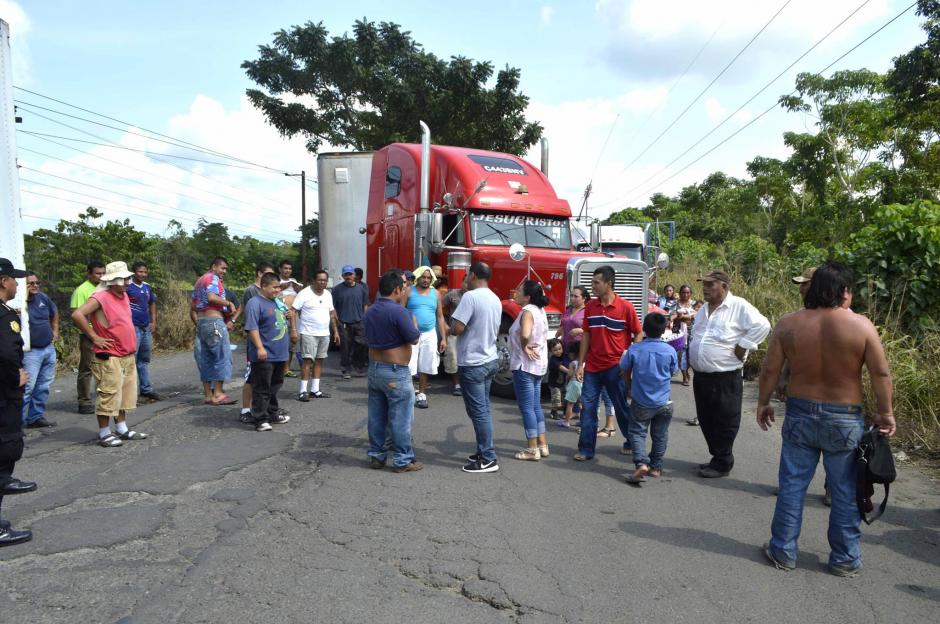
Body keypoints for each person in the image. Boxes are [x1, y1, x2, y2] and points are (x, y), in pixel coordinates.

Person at [757, 262, 895, 577]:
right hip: (844, 417)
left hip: (801, 412)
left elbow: (769, 370)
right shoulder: (861, 326)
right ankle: (845, 559)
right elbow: (880, 373)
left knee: (792, 485)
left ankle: (783, 551)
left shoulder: (789, 324)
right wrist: (886, 413)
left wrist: (763, 403)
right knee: (845, 490)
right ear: (844, 291)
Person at [689, 269, 771, 478]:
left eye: (710, 285)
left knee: (725, 419)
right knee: (706, 418)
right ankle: (717, 456)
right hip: (702, 376)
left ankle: (723, 462)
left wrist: (744, 345)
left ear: (724, 287)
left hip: (725, 376)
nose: (705, 289)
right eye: (704, 285)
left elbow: (763, 325)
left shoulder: (738, 306)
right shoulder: (703, 310)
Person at [71, 261, 148, 448]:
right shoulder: (100, 297)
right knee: (109, 393)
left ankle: (121, 428)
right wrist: (94, 337)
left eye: (127, 278)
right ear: (112, 281)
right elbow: (77, 315)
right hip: (109, 354)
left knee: (124, 394)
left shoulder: (122, 295)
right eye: (123, 279)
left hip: (126, 353)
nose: (127, 282)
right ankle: (104, 433)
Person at [574, 266, 641, 462]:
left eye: (596, 282)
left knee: (621, 407)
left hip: (616, 368)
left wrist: (630, 358)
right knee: (588, 407)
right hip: (593, 368)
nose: (592, 286)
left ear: (608, 284)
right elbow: (586, 336)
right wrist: (580, 364)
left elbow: (638, 332)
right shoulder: (591, 307)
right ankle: (586, 449)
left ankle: (632, 441)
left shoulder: (626, 307)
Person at [364, 269, 423, 472]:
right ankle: (403, 460)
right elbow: (414, 338)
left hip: (374, 369)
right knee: (401, 418)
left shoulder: (370, 310)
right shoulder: (399, 312)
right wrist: (413, 321)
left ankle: (377, 455)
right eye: (404, 287)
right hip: (395, 371)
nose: (407, 290)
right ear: (397, 289)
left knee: (377, 416)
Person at [450, 262, 502, 474]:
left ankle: (488, 457)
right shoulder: (495, 298)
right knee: (483, 410)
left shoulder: (470, 297)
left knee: (478, 411)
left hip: (473, 362)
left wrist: (450, 327)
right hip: (489, 358)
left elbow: (458, 328)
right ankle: (484, 451)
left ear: (472, 275)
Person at [0, 258, 38, 547]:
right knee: (4, 452)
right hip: (4, 396)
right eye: (14, 279)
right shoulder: (4, 316)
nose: (17, 284)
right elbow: (7, 354)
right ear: (3, 281)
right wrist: (16, 378)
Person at [621, 313, 678, 484]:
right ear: (663, 330)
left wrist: (629, 386)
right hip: (665, 402)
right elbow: (673, 371)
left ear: (644, 328)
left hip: (642, 402)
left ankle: (641, 463)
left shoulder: (635, 349)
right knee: (660, 434)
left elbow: (624, 369)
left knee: (637, 432)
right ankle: (656, 467)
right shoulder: (670, 350)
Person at [558, 286, 616, 429]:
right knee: (569, 381)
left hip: (581, 351)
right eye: (571, 295)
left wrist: (579, 330)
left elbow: (592, 330)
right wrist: (557, 335)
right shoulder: (567, 310)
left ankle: (583, 415)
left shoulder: (588, 311)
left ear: (584, 298)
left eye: (576, 296)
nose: (572, 298)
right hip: (566, 349)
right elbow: (563, 324)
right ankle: (575, 411)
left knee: (580, 383)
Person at [244, 272, 292, 432]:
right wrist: (259, 347)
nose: (278, 290)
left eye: (279, 287)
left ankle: (272, 413)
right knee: (262, 387)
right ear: (264, 286)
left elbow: (284, 318)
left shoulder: (277, 302)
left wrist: (290, 316)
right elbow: (252, 327)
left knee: (275, 385)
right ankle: (260, 419)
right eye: (275, 287)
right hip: (265, 353)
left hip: (280, 353)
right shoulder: (254, 303)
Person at [509, 280, 550, 461]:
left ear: (527, 297)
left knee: (527, 407)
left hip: (524, 365)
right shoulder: (540, 310)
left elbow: (525, 334)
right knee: (535, 406)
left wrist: (525, 346)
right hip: (538, 365)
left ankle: (532, 448)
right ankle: (542, 444)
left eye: (518, 290)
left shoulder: (527, 312)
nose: (515, 292)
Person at [292, 269, 341, 401]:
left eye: (324, 280)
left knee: (319, 360)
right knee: (308, 361)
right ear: (314, 280)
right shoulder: (304, 293)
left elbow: (331, 313)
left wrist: (335, 331)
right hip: (308, 333)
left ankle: (315, 389)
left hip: (324, 333)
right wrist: (294, 330)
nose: (322, 282)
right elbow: (293, 311)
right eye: (320, 280)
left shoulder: (327, 295)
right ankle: (303, 391)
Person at [192, 257, 235, 405]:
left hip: (202, 322)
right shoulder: (212, 278)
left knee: (206, 359)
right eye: (222, 268)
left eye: (226, 269)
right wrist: (228, 303)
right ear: (213, 267)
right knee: (222, 356)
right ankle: (218, 394)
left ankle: (208, 395)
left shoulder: (199, 281)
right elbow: (211, 298)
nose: (224, 271)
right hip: (214, 321)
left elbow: (194, 306)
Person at [406, 266, 447, 409]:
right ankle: (409, 392)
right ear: (418, 277)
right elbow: (400, 311)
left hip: (430, 333)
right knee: (409, 364)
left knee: (426, 364)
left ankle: (421, 394)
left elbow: (440, 316)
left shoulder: (436, 294)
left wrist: (443, 338)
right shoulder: (408, 291)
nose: (425, 280)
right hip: (411, 334)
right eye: (423, 277)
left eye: (428, 278)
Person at [22, 272, 58, 428]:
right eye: (30, 283)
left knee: (44, 385)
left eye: (37, 283)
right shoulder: (18, 303)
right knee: (27, 387)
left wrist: (55, 330)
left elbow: (54, 312)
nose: (35, 286)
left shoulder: (43, 298)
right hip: (30, 352)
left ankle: (35, 417)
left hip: (48, 348)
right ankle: (18, 422)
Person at [70, 260, 106, 414]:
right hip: (90, 336)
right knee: (87, 369)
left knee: (105, 367)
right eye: (98, 273)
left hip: (106, 335)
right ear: (89, 273)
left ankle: (104, 398)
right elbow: (76, 315)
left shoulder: (106, 288)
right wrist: (91, 334)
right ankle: (84, 401)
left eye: (104, 273)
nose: (101, 276)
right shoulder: (82, 290)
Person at [126, 261, 161, 403]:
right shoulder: (127, 287)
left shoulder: (147, 287)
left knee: (144, 360)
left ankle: (146, 389)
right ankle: (129, 392)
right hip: (133, 327)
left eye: (145, 272)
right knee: (131, 360)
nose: (143, 274)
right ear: (134, 272)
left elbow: (152, 303)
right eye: (140, 272)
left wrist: (154, 321)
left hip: (145, 327)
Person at [332, 264, 370, 379]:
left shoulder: (361, 288)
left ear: (354, 275)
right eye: (346, 274)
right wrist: (336, 322)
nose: (348, 276)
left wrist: (365, 318)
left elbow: (365, 304)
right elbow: (332, 307)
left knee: (363, 344)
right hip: (343, 322)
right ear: (343, 276)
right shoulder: (337, 290)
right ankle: (346, 369)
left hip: (359, 321)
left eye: (350, 274)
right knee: (345, 347)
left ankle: (359, 367)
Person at [441, 275, 467, 396]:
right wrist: (445, 325)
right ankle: (457, 385)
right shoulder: (453, 294)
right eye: (464, 282)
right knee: (452, 358)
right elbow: (438, 307)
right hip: (453, 333)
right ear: (462, 282)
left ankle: (466, 384)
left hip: (469, 334)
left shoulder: (474, 297)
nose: (466, 285)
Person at [277, 259, 303, 378]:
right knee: (280, 341)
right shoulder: (276, 281)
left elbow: (300, 294)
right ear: (280, 269)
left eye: (290, 268)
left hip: (294, 316)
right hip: (279, 316)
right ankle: (277, 369)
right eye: (285, 268)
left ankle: (287, 369)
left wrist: (297, 288)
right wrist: (283, 286)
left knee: (293, 342)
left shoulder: (294, 281)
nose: (288, 270)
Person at [674, 284, 696, 390]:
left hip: (692, 333)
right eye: (683, 292)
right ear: (680, 293)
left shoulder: (694, 304)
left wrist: (686, 316)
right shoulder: (675, 304)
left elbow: (698, 314)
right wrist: (679, 318)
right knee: (681, 354)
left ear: (691, 294)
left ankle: (688, 370)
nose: (685, 294)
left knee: (691, 354)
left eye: (688, 292)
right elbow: (670, 316)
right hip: (679, 333)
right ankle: (684, 375)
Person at [546, 339, 568, 419]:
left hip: (563, 383)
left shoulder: (564, 356)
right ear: (551, 351)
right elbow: (560, 367)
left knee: (565, 397)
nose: (558, 351)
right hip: (554, 384)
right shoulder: (553, 360)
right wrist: (569, 371)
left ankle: (565, 411)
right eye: (555, 350)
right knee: (556, 398)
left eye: (560, 349)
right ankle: (554, 412)